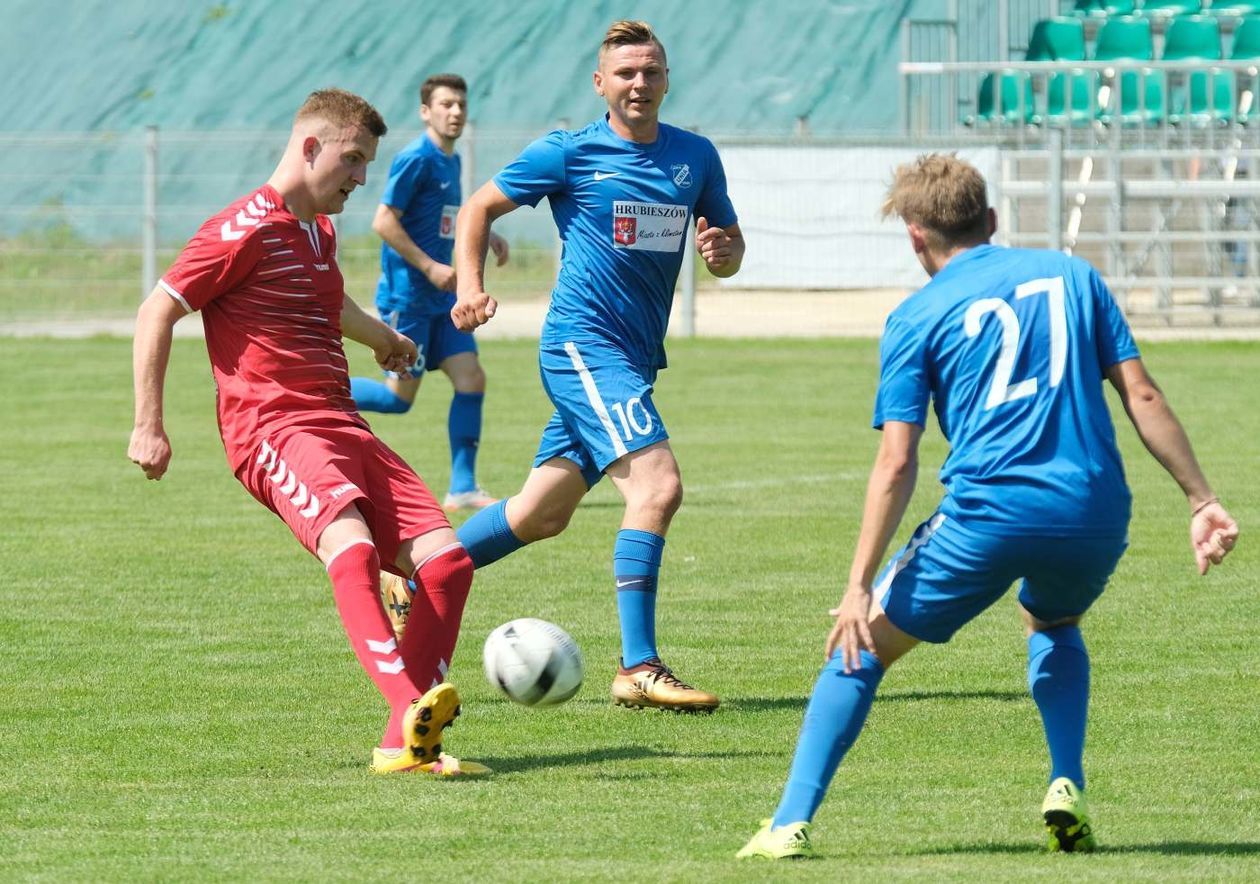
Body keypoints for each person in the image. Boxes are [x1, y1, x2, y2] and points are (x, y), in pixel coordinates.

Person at [738, 154, 1239, 859]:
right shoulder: (1073, 276)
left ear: (915, 236)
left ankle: (788, 825)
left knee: (860, 648)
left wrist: (857, 585)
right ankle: (1066, 781)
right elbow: (1143, 395)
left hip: (988, 514)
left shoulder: (915, 316)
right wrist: (1201, 498)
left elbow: (897, 461)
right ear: (992, 219)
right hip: (1094, 510)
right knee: (1053, 619)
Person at [128, 88, 489, 777]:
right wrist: (150, 424)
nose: (361, 177)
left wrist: (384, 338)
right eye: (352, 160)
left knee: (448, 563)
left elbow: (331, 302)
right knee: (351, 548)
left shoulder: (318, 231)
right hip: (273, 427)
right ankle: (411, 707)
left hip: (342, 422)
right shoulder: (241, 229)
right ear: (310, 147)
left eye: (367, 163)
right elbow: (157, 310)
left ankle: (405, 745)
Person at [449, 20, 745, 713]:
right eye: (625, 73)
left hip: (634, 360)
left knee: (540, 514)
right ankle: (638, 667)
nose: (639, 83)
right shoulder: (570, 152)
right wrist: (469, 286)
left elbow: (728, 247)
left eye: (651, 71)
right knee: (658, 486)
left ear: (666, 79)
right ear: (600, 84)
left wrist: (725, 254)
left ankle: (418, 572)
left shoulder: (695, 157)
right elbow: (479, 207)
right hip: (583, 346)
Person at [349, 73, 509, 514]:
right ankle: (314, 390)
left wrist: (487, 234)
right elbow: (383, 221)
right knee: (397, 400)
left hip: (443, 303)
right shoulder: (415, 158)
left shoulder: (450, 160)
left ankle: (462, 488)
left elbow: (446, 218)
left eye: (461, 104)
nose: (455, 112)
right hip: (410, 301)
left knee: (471, 379)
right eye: (445, 104)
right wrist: (430, 266)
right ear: (425, 111)